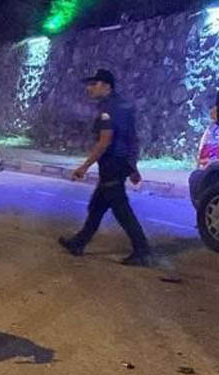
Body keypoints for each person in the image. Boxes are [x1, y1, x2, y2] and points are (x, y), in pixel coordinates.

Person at [59, 69, 152, 266]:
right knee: (97, 205)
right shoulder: (125, 106)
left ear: (106, 86)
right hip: (121, 163)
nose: (89, 88)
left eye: (94, 84)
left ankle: (142, 250)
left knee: (121, 208)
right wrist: (132, 167)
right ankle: (79, 242)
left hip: (111, 163)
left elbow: (104, 142)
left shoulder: (107, 110)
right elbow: (131, 139)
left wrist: (84, 167)